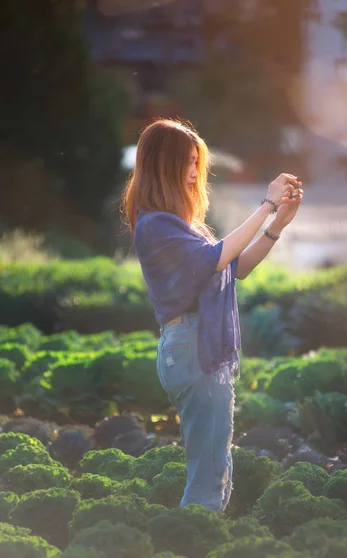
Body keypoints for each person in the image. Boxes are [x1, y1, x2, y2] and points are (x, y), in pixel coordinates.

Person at [121, 118, 303, 514]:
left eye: (195, 162)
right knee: (207, 482)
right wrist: (267, 204)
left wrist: (276, 225)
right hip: (191, 347)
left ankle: (196, 548)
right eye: (186, 162)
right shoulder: (155, 224)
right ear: (163, 164)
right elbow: (217, 258)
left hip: (198, 348)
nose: (193, 172)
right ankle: (187, 554)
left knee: (217, 473)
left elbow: (236, 268)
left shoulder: (183, 226)